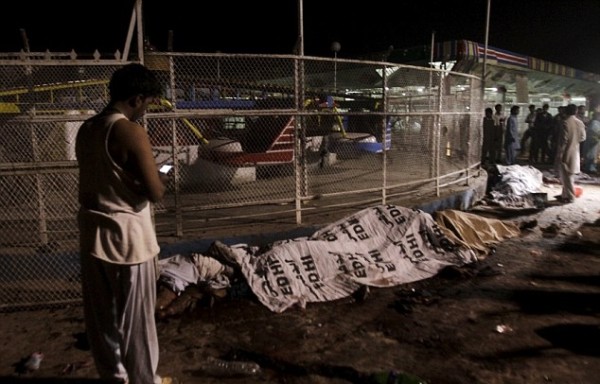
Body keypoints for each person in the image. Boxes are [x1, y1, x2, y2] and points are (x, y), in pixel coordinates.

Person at [75, 63, 171, 384]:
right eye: (147, 102)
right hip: (129, 242)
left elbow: (105, 177)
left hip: (93, 237)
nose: (146, 110)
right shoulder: (129, 130)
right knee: (137, 327)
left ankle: (114, 379)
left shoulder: (87, 129)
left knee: (102, 322)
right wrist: (157, 175)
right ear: (136, 98)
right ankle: (144, 381)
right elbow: (155, 192)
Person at [555, 103, 586, 203]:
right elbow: (583, 137)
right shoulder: (580, 122)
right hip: (575, 151)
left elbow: (563, 140)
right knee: (568, 175)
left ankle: (570, 197)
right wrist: (575, 141)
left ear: (565, 111)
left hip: (566, 152)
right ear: (576, 111)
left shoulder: (565, 122)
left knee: (566, 176)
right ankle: (564, 195)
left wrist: (559, 153)